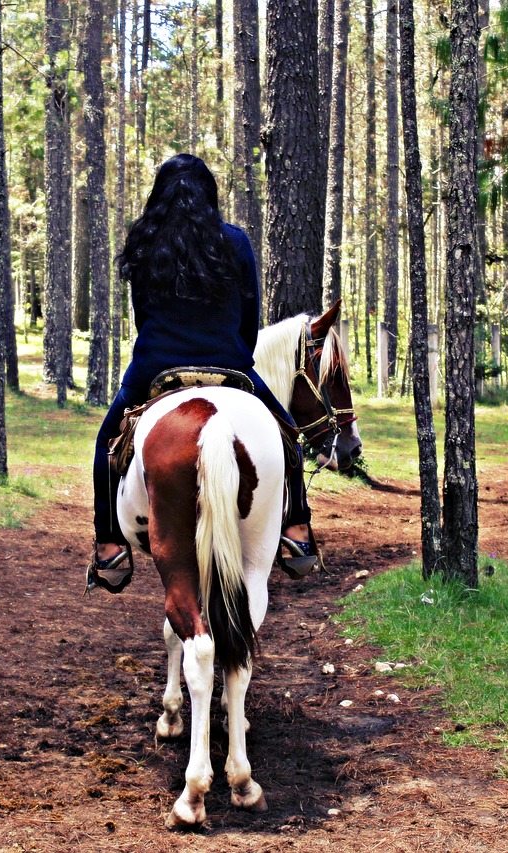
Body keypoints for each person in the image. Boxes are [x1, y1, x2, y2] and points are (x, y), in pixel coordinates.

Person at [88, 154, 316, 593]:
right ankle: (298, 530)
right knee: (287, 432)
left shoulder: (145, 242)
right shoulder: (235, 241)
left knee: (105, 442)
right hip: (229, 363)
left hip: (156, 365)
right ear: (209, 195)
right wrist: (234, 353)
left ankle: (108, 546)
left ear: (159, 197)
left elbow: (141, 317)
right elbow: (249, 318)